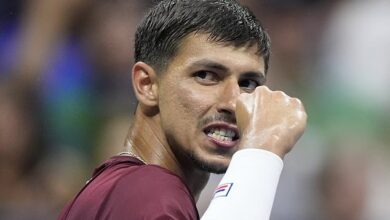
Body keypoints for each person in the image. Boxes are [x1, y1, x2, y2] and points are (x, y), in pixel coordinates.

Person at [59, 0, 307, 219]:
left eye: (248, 83)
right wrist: (261, 153)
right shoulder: (150, 192)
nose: (234, 102)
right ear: (147, 85)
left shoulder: (119, 189)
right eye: (206, 75)